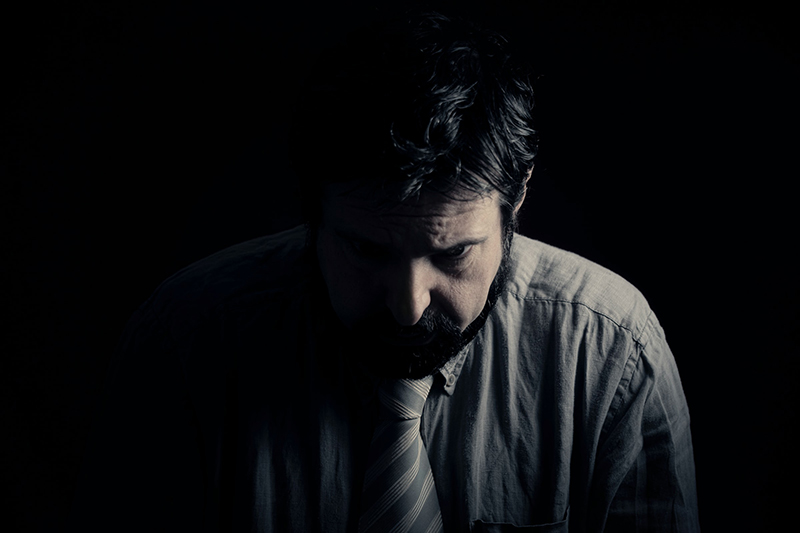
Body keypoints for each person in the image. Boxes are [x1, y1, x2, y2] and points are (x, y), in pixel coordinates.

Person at [69, 11, 700, 532]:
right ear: (312, 208)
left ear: (518, 201)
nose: (409, 306)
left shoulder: (613, 356)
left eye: (453, 254)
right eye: (367, 251)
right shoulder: (184, 344)